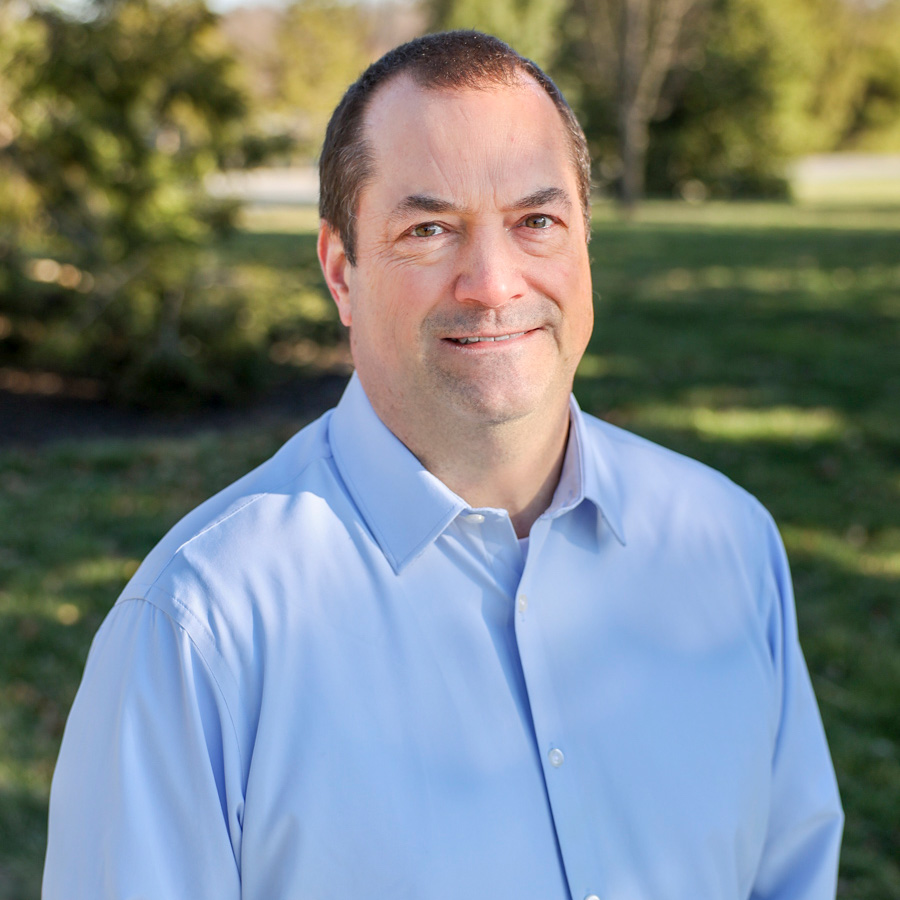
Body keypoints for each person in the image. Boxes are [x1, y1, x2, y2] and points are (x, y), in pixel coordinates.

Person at [43, 30, 843, 900]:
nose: (493, 283)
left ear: (584, 244)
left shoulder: (727, 545)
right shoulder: (202, 627)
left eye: (536, 221)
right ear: (341, 271)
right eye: (430, 229)